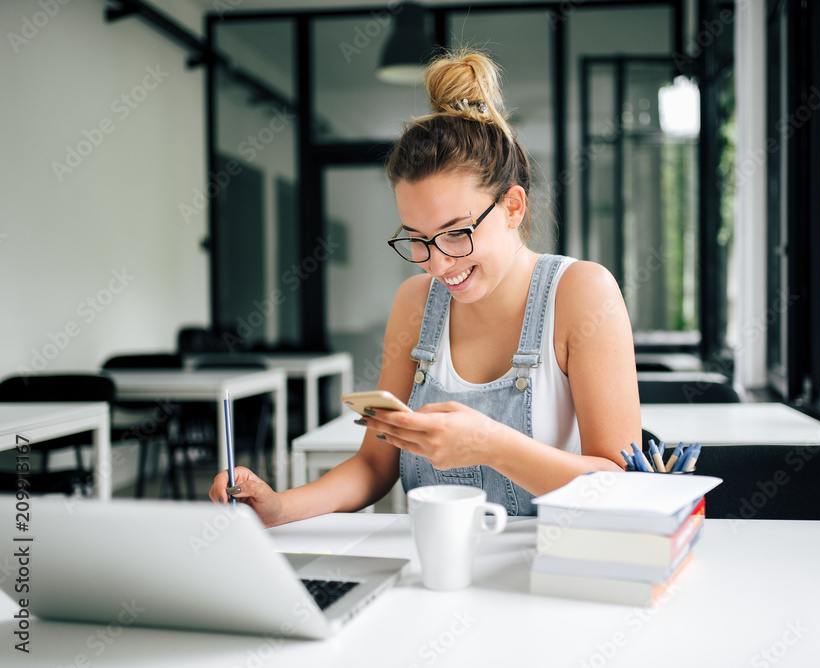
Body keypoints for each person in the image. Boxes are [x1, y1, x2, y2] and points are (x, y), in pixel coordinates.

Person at [209, 48, 641, 525]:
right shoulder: (416, 303)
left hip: (547, 570)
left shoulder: (581, 293)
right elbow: (375, 465)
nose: (437, 263)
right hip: (432, 571)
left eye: (457, 232)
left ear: (513, 207)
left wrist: (490, 445)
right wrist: (279, 506)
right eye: (417, 239)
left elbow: (620, 485)